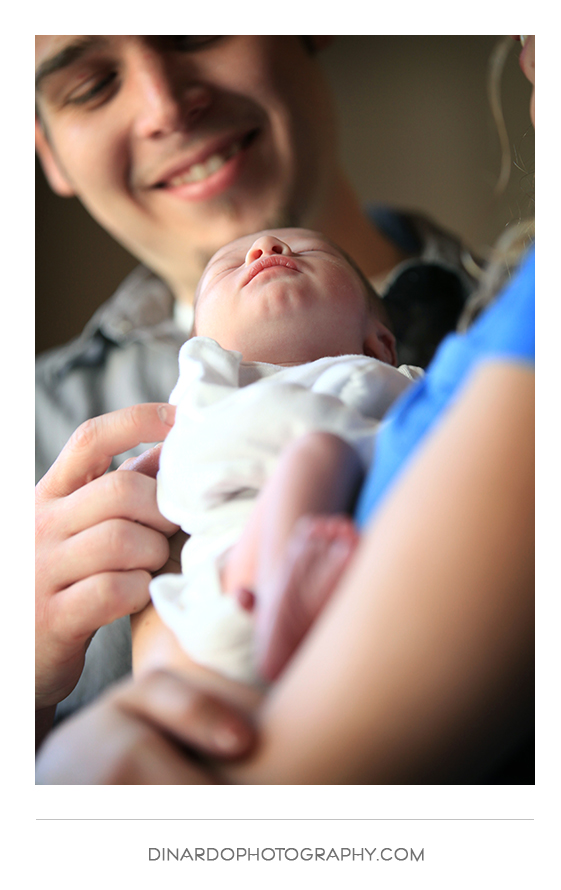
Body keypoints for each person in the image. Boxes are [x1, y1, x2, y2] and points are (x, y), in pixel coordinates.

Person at [36, 35, 534, 784]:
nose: (165, 107)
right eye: (91, 85)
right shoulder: (30, 423)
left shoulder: (516, 334)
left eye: (193, 31)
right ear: (47, 152)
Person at [147, 226, 422, 685]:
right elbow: (184, 474)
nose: (266, 248)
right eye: (228, 266)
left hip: (390, 603)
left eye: (310, 250)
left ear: (380, 344)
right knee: (318, 452)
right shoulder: (210, 388)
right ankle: (282, 594)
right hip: (233, 593)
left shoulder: (407, 383)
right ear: (199, 344)